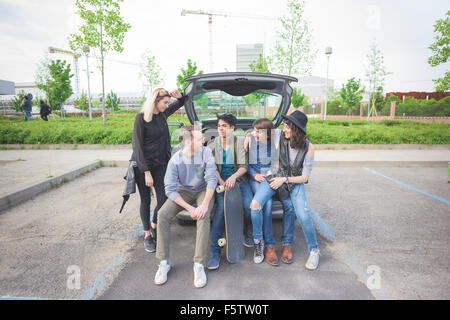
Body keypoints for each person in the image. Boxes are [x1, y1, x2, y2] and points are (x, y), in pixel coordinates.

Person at [247, 110, 320, 270]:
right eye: (285, 125)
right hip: (273, 177)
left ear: (297, 130)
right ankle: (263, 244)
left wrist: (284, 180)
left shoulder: (309, 148)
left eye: (288, 127)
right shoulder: (278, 134)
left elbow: (305, 178)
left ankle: (310, 250)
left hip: (293, 182)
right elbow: (258, 129)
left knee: (303, 215)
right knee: (255, 205)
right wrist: (248, 136)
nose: (284, 129)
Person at [155, 126, 217, 288]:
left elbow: (211, 180)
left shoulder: (206, 152)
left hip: (203, 190)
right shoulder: (175, 160)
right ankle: (164, 262)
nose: (203, 141)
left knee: (203, 216)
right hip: (183, 192)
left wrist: (203, 205)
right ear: (188, 142)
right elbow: (170, 189)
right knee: (162, 214)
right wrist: (189, 209)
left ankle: (199, 264)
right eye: (199, 139)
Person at [130, 88, 185, 253]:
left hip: (161, 164)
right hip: (143, 166)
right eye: (165, 102)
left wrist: (180, 97)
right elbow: (137, 146)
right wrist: (146, 171)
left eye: (168, 103)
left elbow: (181, 103)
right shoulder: (141, 118)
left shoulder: (162, 114)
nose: (167, 105)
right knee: (145, 200)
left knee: (164, 197)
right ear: (156, 101)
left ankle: (153, 224)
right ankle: (147, 235)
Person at [207, 113, 253, 270]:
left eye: (224, 126)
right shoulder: (212, 145)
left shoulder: (239, 143)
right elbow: (211, 168)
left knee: (248, 206)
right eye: (219, 125)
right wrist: (220, 181)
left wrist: (233, 177)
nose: (221, 128)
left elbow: (244, 167)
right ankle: (215, 251)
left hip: (240, 179)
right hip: (221, 180)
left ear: (232, 128)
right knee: (221, 210)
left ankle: (245, 232)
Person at [246, 118, 278, 266]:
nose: (254, 133)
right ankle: (265, 243)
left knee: (258, 204)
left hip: (270, 179)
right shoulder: (252, 142)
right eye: (254, 130)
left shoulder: (275, 146)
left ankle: (261, 242)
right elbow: (250, 165)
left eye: (258, 131)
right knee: (268, 204)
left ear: (267, 133)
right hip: (255, 179)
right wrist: (254, 175)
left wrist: (268, 175)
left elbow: (277, 166)